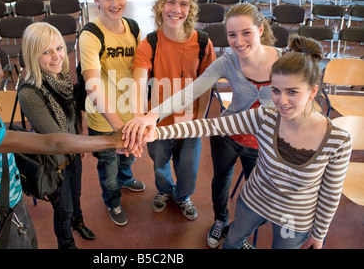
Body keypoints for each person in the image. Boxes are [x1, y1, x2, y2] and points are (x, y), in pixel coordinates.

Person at [140, 35, 352, 249]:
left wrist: (319, 234)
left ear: (313, 91)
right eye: (276, 91)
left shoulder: (338, 140)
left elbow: (330, 193)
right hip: (254, 203)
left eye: (293, 92)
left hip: (293, 218)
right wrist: (157, 132)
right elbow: (210, 126)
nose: (282, 101)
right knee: (232, 241)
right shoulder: (266, 116)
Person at [0, 25, 129, 249]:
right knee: (62, 211)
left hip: (10, 202)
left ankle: (76, 223)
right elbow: (51, 141)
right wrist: (113, 140)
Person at [125, 3, 279, 240]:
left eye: (246, 32)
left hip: (264, 144)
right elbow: (191, 92)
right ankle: (220, 221)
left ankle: (239, 234)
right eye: (232, 35)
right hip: (228, 136)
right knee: (221, 183)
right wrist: (152, 115)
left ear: (260, 29)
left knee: (260, 196)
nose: (238, 41)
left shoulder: (284, 61)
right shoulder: (227, 62)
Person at [130, 0, 216, 220]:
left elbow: (206, 84)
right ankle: (165, 190)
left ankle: (183, 196)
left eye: (183, 4)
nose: (176, 10)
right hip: (158, 124)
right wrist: (139, 119)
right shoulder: (150, 43)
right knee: (159, 165)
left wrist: (199, 120)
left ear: (190, 9)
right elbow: (138, 82)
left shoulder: (202, 42)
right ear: (160, 5)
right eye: (170, 2)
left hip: (189, 122)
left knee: (188, 168)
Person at [17, 22, 95, 249]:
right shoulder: (30, 92)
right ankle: (66, 244)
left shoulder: (62, 79)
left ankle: (78, 222)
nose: (56, 57)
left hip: (73, 153)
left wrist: (81, 138)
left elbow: (73, 116)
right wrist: (90, 144)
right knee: (63, 209)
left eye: (59, 48)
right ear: (33, 55)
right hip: (56, 164)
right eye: (46, 51)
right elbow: (57, 139)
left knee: (76, 195)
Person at [79, 0, 144, 226]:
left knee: (126, 158)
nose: (114, 3)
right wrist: (120, 130)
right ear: (96, 0)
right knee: (109, 168)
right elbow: (93, 86)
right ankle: (113, 200)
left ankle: (126, 181)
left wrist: (138, 118)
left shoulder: (134, 28)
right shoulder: (90, 35)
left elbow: (140, 73)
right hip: (105, 120)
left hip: (130, 114)